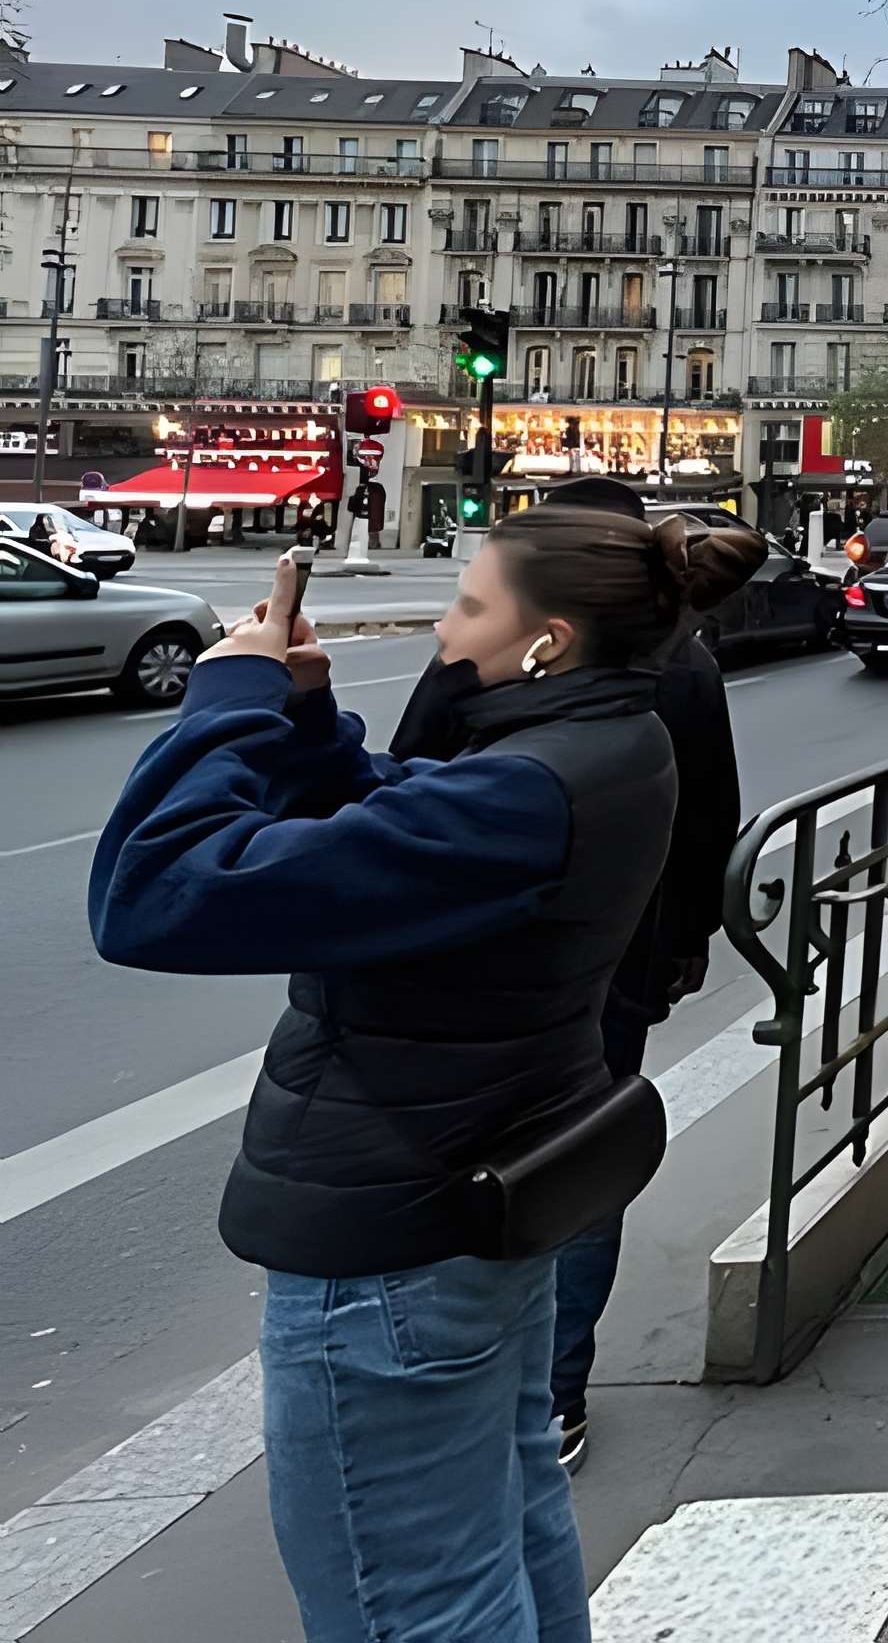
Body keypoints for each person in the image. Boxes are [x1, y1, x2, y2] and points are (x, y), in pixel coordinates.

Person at [86, 504, 763, 1643]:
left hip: (391, 1241)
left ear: (546, 638)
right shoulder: (610, 737)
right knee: (508, 1527)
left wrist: (230, 699)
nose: (447, 632)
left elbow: (155, 894)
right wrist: (306, 718)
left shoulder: (521, 788)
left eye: (467, 604)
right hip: (480, 1198)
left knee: (406, 1603)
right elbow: (400, 820)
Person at [389, 477, 741, 1476]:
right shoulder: (686, 667)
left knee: (462, 1161)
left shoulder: (489, 654)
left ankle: (464, 1386)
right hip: (617, 958)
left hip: (474, 959)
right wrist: (686, 939)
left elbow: (406, 767)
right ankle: (553, 1399)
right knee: (575, 1170)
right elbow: (708, 816)